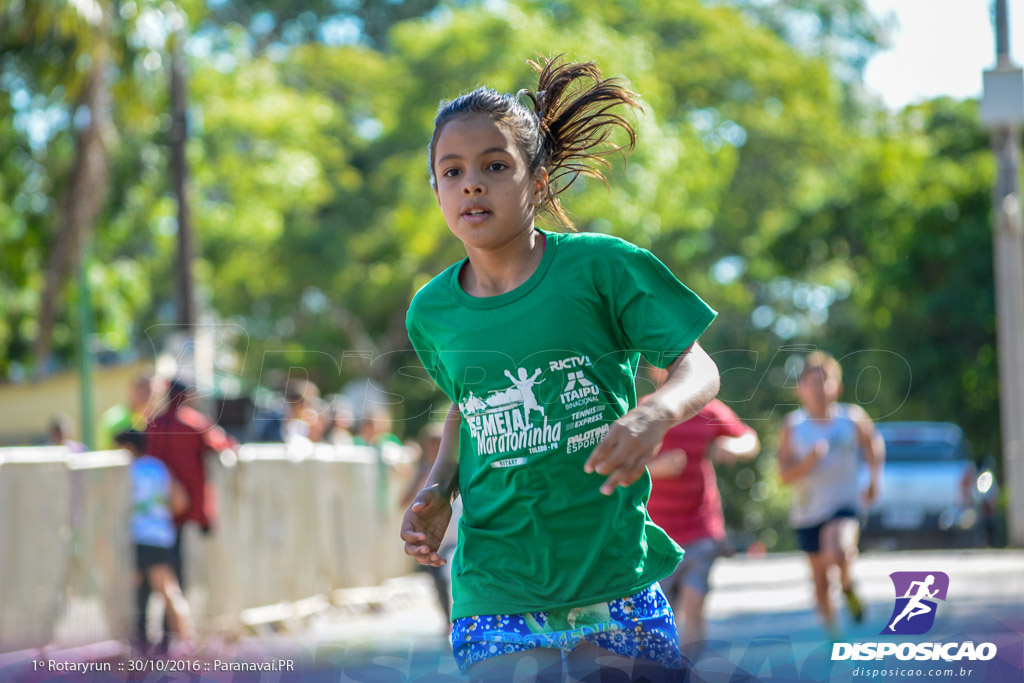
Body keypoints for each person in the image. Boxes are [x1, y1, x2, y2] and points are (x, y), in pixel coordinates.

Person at [400, 56, 721, 682]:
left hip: (613, 574)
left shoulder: (602, 268)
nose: (472, 184)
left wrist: (653, 415)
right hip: (495, 589)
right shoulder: (431, 312)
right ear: (436, 189)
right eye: (453, 171)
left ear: (538, 181)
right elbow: (472, 410)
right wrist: (441, 488)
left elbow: (697, 367)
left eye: (496, 166)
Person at [644, 367, 760, 656]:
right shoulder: (644, 411)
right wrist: (659, 468)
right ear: (652, 370)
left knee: (694, 601)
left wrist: (733, 445)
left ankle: (691, 669)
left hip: (700, 527)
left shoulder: (708, 411)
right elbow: (626, 466)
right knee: (666, 613)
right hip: (658, 534)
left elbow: (750, 440)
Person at [777, 351, 885, 638]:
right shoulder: (793, 426)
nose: (819, 388)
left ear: (837, 385)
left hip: (845, 504)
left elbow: (874, 443)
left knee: (837, 547)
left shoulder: (851, 418)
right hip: (808, 511)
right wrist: (808, 462)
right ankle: (834, 636)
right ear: (800, 390)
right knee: (820, 581)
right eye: (811, 383)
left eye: (825, 381)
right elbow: (783, 475)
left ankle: (847, 583)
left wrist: (874, 479)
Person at [143, 376, 236, 652]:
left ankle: (160, 633)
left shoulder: (155, 424)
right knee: (177, 573)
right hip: (186, 513)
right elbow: (224, 445)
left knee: (157, 572)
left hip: (156, 513)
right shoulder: (192, 423)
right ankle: (177, 633)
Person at [115, 429, 195, 653]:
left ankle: (187, 643)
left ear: (127, 448)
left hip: (139, 537)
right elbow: (180, 502)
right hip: (161, 535)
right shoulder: (159, 467)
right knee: (160, 591)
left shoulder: (126, 471)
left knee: (162, 591)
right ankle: (153, 646)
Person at [98, 373, 160, 451]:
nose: (152, 396)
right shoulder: (116, 418)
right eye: (148, 391)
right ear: (135, 391)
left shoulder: (141, 418)